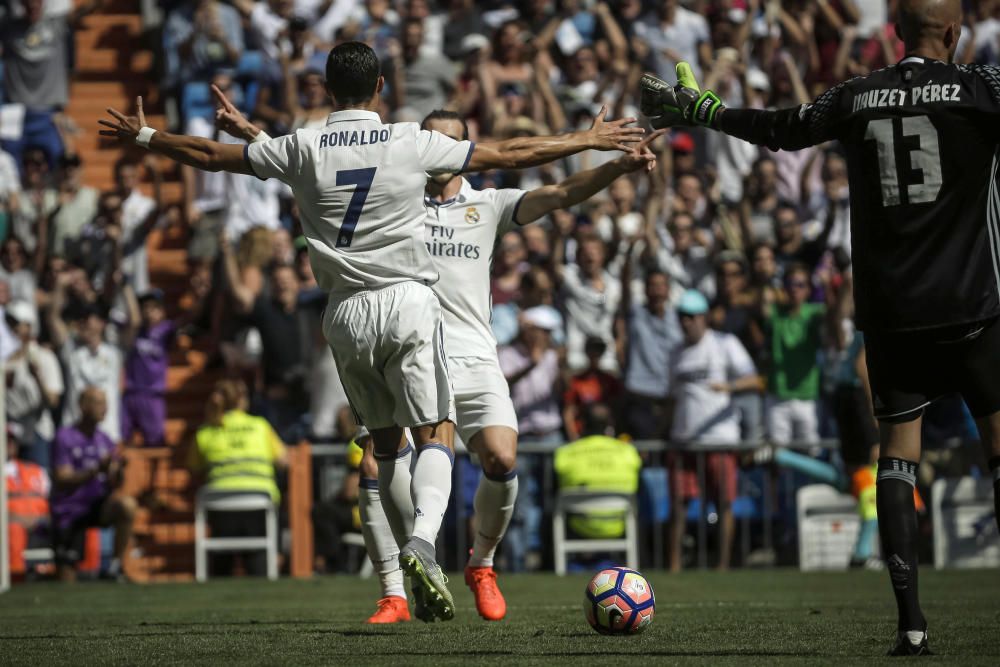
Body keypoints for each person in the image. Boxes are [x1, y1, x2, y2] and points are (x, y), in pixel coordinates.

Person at [99, 40, 644, 621]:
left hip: (345, 313)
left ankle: (426, 570)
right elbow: (509, 149)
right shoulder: (408, 140)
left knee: (387, 452)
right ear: (382, 87)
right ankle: (421, 549)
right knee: (436, 435)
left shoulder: (305, 144)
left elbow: (212, 156)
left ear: (328, 89)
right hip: (406, 303)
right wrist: (585, 138)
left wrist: (146, 136)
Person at [640, 0, 1000, 654]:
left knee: (896, 461)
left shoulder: (858, 96)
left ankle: (911, 623)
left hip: (894, 315)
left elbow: (780, 128)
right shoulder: (984, 90)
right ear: (955, 31)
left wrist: (703, 111)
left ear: (895, 31)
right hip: (977, 307)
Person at [333, 109, 656, 623]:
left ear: (465, 149)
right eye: (428, 141)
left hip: (474, 355)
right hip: (408, 350)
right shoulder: (395, 202)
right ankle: (393, 591)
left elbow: (561, 193)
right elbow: (332, 184)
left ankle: (481, 564)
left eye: (447, 142)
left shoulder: (488, 205)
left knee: (503, 460)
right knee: (375, 462)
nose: (435, 151)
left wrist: (615, 168)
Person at [668, 289, 759, 573]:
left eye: (691, 317)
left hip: (719, 440)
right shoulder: (676, 352)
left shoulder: (724, 343)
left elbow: (755, 380)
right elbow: (672, 397)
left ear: (704, 317)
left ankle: (722, 565)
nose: (685, 322)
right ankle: (674, 567)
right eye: (681, 317)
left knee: (724, 504)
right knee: (679, 506)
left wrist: (729, 387)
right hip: (684, 441)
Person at [187, 379, 287, 577]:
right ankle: (267, 569)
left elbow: (193, 468)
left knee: (221, 560)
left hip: (219, 507)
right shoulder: (260, 426)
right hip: (259, 505)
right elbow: (284, 460)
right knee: (258, 560)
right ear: (241, 400)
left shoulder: (205, 431)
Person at [50, 387, 138, 582]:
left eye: (105, 403)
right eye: (98, 403)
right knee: (66, 580)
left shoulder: (104, 439)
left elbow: (115, 482)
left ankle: (115, 567)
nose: (104, 408)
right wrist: (96, 469)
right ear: (82, 406)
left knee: (127, 506)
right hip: (69, 510)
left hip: (96, 505)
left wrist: (119, 470)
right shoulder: (65, 436)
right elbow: (62, 479)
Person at [553, 403, 641, 542]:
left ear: (582, 425)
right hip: (619, 526)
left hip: (578, 527)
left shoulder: (565, 453)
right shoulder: (628, 452)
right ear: (610, 426)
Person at [121, 289, 176, 447]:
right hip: (131, 393)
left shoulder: (166, 331)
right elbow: (132, 321)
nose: (149, 312)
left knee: (155, 442)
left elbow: (188, 319)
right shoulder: (134, 331)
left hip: (153, 395)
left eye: (154, 308)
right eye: (145, 307)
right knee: (123, 441)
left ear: (162, 311)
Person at [4, 423, 51, 580]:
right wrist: (16, 519)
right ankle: (16, 576)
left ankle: (86, 574)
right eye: (4, 439)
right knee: (14, 529)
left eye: (12, 440)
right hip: (9, 526)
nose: (9, 444)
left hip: (41, 524)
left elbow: (52, 501)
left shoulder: (36, 470)